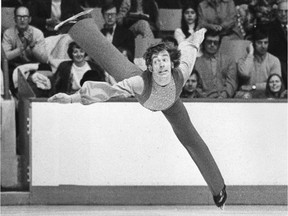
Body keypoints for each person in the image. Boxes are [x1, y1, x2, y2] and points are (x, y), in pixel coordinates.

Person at [48, 18, 227, 209]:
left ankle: (219, 190)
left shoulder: (181, 72)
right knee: (113, 60)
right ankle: (78, 26)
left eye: (165, 60)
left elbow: (190, 46)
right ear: (150, 68)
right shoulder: (139, 82)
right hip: (144, 91)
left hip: (172, 103)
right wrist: (71, 99)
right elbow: (107, 91)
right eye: (156, 62)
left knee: (191, 138)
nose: (161, 65)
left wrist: (200, 34)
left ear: (171, 63)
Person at [2, 5, 48, 93]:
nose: (22, 20)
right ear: (15, 19)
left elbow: (44, 59)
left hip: (34, 66)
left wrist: (31, 45)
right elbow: (5, 57)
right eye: (19, 17)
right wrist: (22, 48)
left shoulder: (37, 33)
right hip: (15, 66)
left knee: (45, 70)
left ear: (30, 19)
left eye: (25, 17)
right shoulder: (8, 33)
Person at [236, 28, 281, 98]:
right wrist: (250, 53)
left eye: (266, 43)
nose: (263, 46)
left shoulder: (274, 60)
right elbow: (245, 73)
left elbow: (276, 84)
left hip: (267, 96)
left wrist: (253, 87)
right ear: (253, 44)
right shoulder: (244, 60)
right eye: (259, 43)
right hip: (247, 97)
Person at [194, 30, 238, 98]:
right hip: (203, 101)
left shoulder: (229, 61)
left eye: (215, 43)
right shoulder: (196, 63)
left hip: (226, 100)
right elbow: (195, 86)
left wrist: (223, 96)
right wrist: (205, 97)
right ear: (203, 43)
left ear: (219, 44)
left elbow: (231, 82)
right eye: (209, 42)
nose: (212, 45)